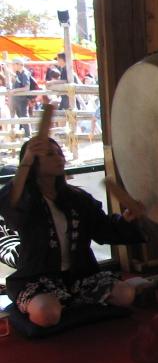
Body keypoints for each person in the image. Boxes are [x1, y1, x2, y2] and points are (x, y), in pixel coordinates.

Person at [0, 137, 144, 327]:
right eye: (51, 154)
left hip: (79, 275)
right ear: (33, 163)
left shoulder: (77, 198)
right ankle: (55, 303)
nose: (60, 158)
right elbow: (8, 202)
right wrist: (25, 162)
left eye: (60, 152)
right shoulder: (26, 200)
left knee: (125, 295)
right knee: (47, 314)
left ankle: (67, 300)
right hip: (37, 278)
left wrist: (126, 220)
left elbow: (103, 229)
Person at [9, 59, 37, 137]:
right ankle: (27, 135)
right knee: (21, 117)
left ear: (18, 65)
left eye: (14, 64)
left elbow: (26, 88)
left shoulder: (24, 74)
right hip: (18, 99)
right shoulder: (19, 73)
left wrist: (14, 90)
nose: (13, 66)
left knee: (24, 118)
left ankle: (28, 136)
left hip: (22, 100)